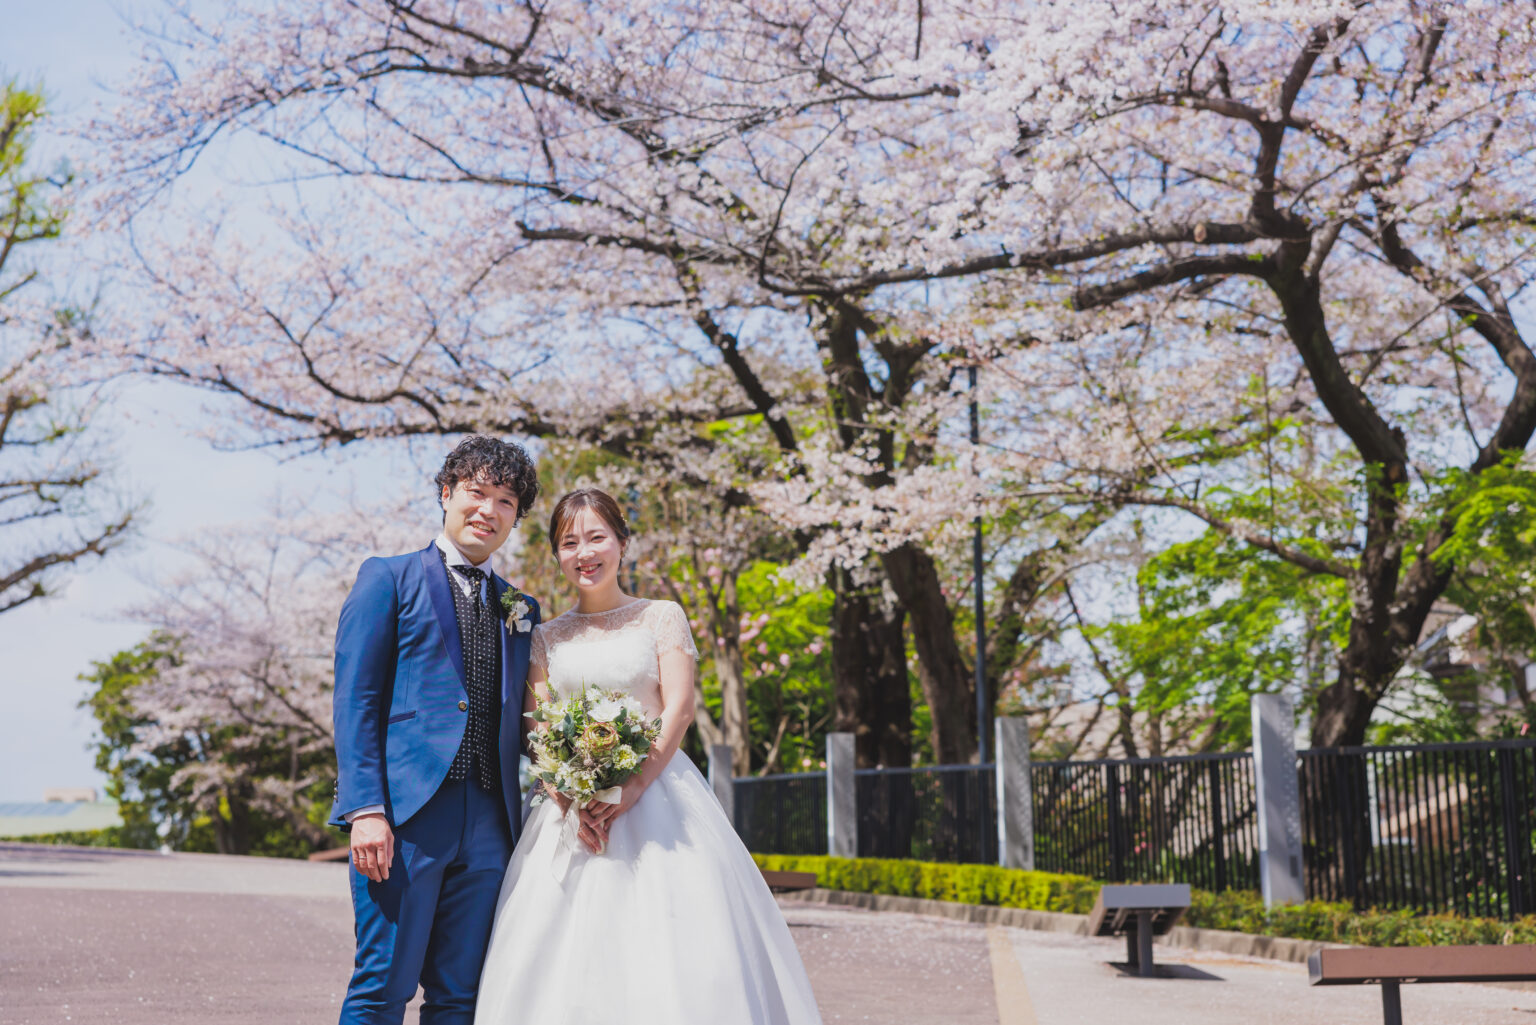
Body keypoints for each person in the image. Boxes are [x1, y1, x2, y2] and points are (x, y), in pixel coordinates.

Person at [472, 487, 822, 1025]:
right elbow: (536, 725)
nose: (584, 553)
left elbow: (678, 708)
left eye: (596, 538)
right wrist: (571, 799)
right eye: (569, 543)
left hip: (659, 795)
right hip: (570, 808)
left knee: (675, 942)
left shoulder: (661, 616)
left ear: (622, 543)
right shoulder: (545, 635)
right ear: (557, 555)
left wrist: (631, 787)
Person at [330, 435, 542, 1025]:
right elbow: (356, 701)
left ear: (515, 518)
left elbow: (528, 717)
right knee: (383, 985)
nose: (488, 510)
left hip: (490, 824)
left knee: (462, 997)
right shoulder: (388, 579)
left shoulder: (520, 607)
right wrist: (365, 807)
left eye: (505, 501)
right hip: (406, 816)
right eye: (477, 492)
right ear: (447, 493)